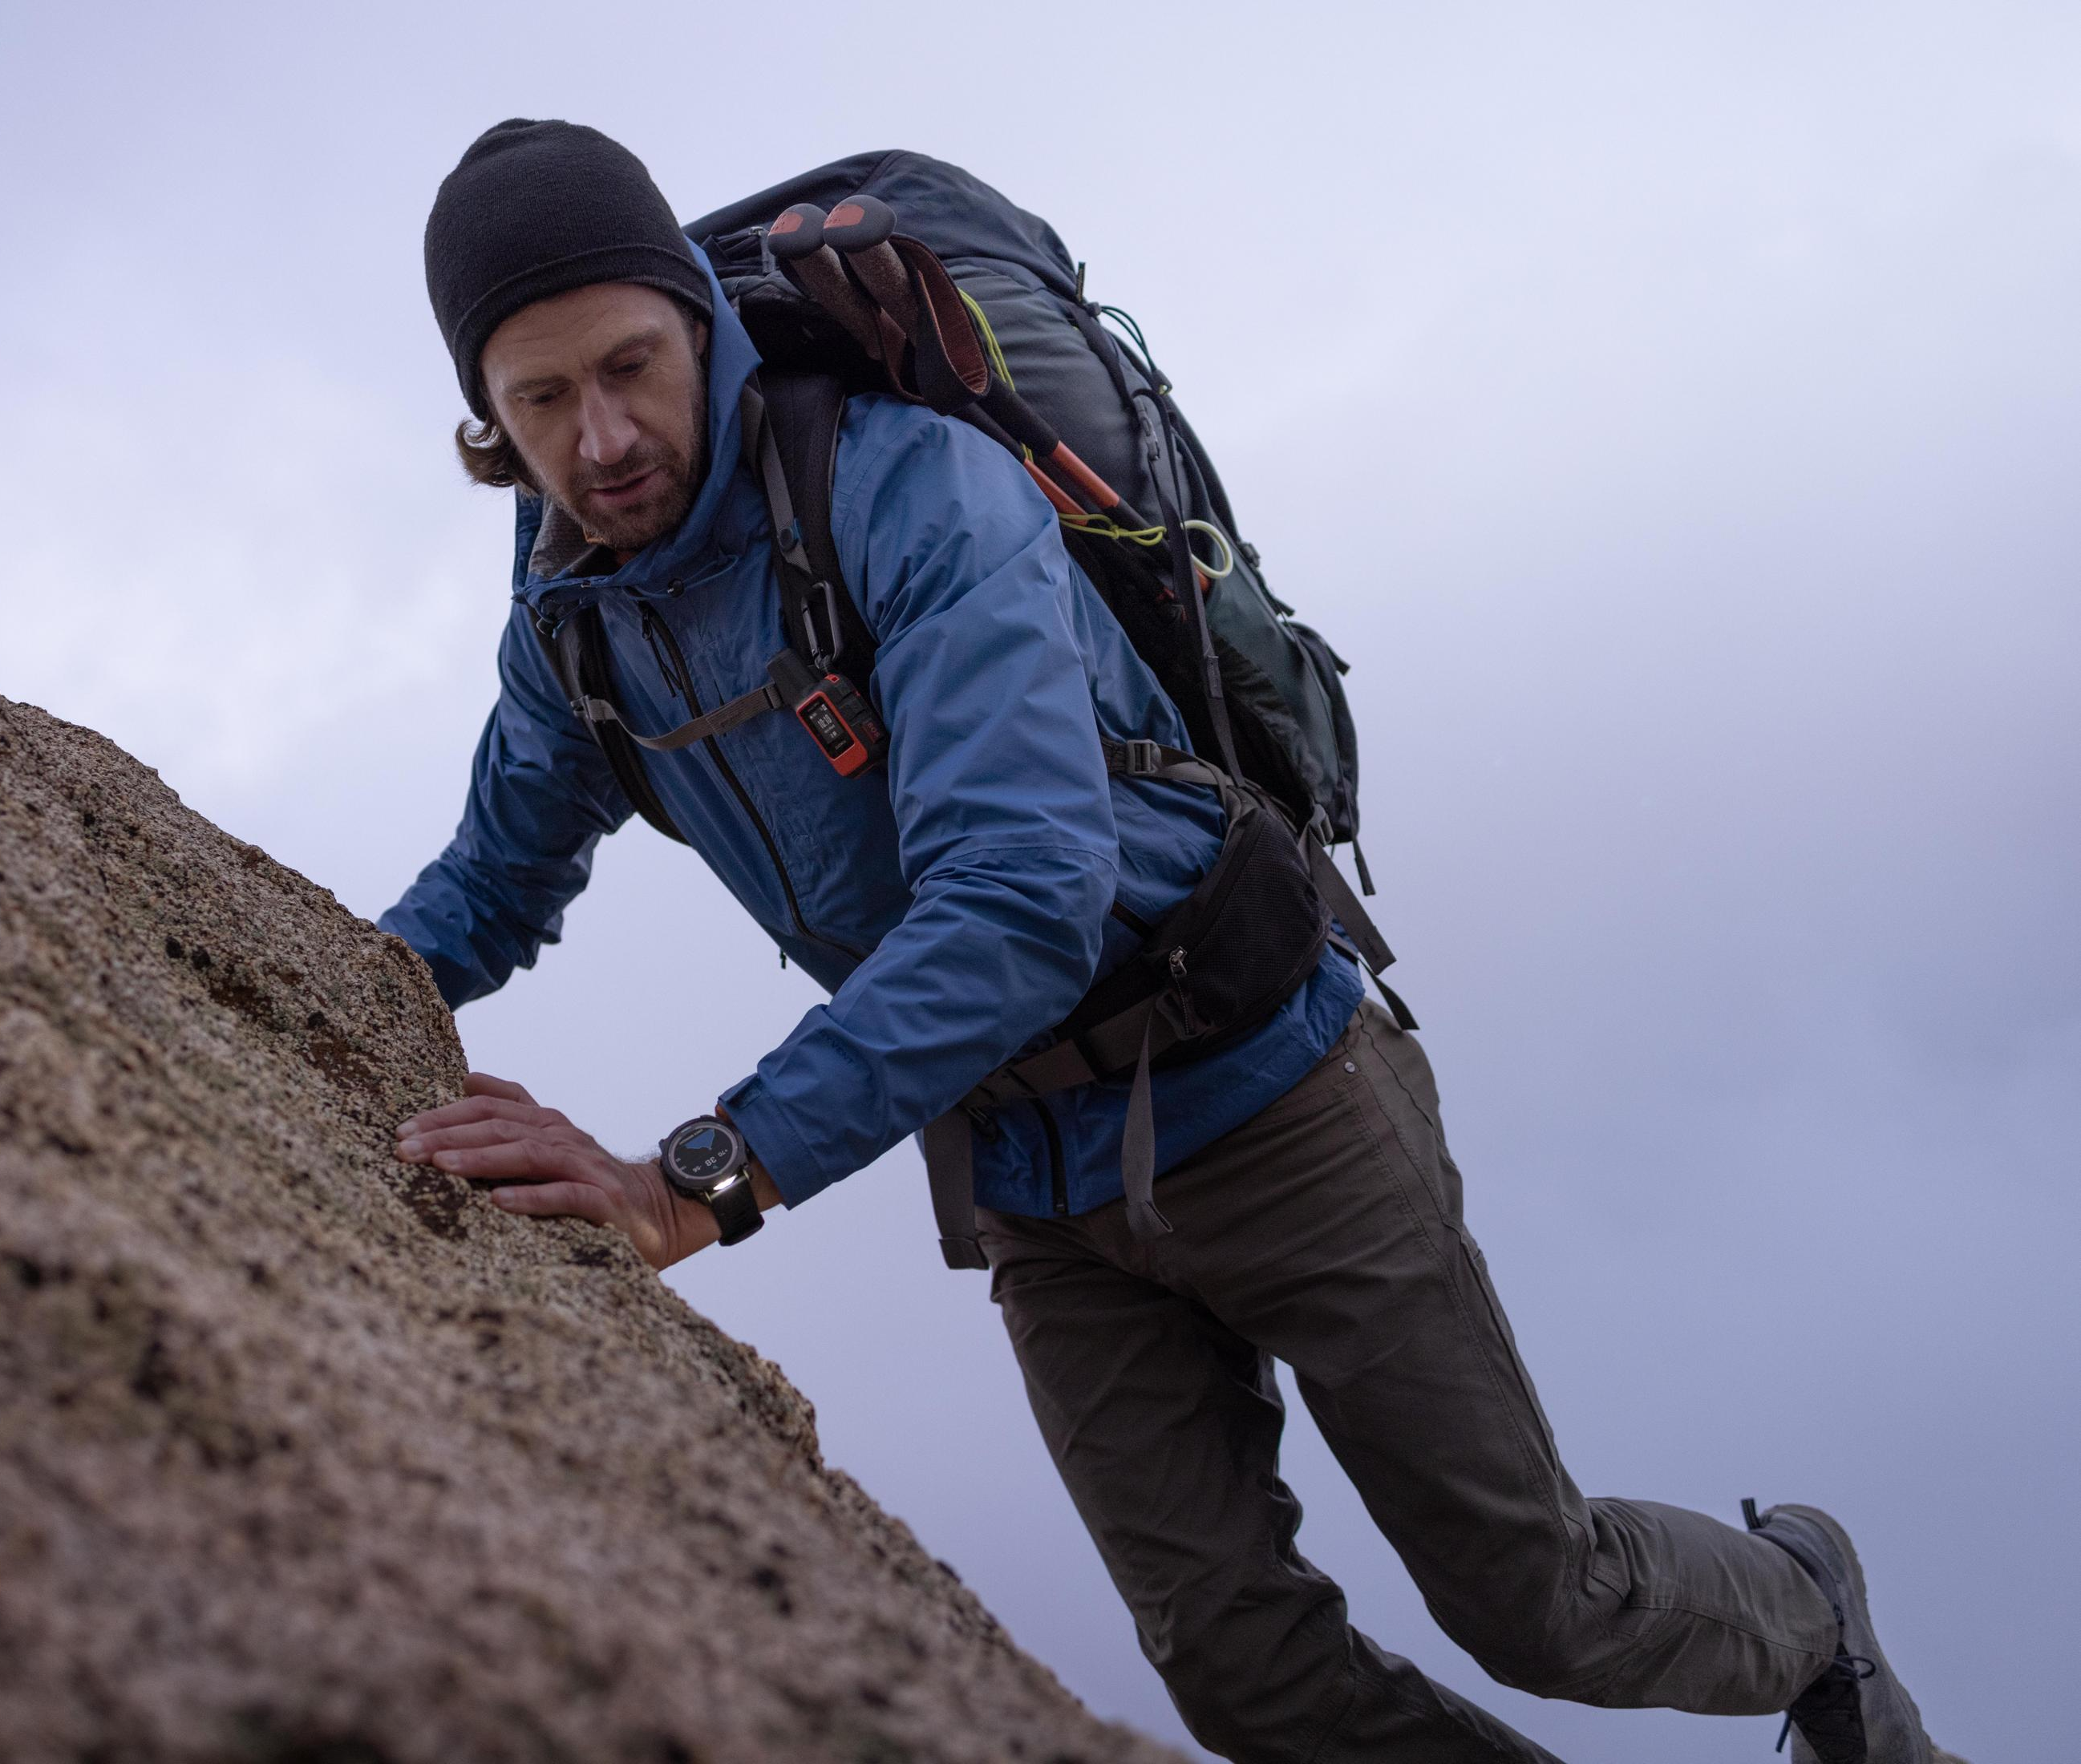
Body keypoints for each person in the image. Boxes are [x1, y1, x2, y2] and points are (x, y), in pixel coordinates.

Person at [382, 118, 1949, 1764]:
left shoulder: (915, 491)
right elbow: (489, 879)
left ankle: (1808, 1605)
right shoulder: (570, 612)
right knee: (1249, 1679)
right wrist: (296, 977)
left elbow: (1016, 895)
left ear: (696, 313)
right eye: (540, 400)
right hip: (1030, 1171)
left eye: (629, 364)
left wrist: (692, 1175)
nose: (602, 436)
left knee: (1532, 1596)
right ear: (487, 418)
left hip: (1270, 1090)